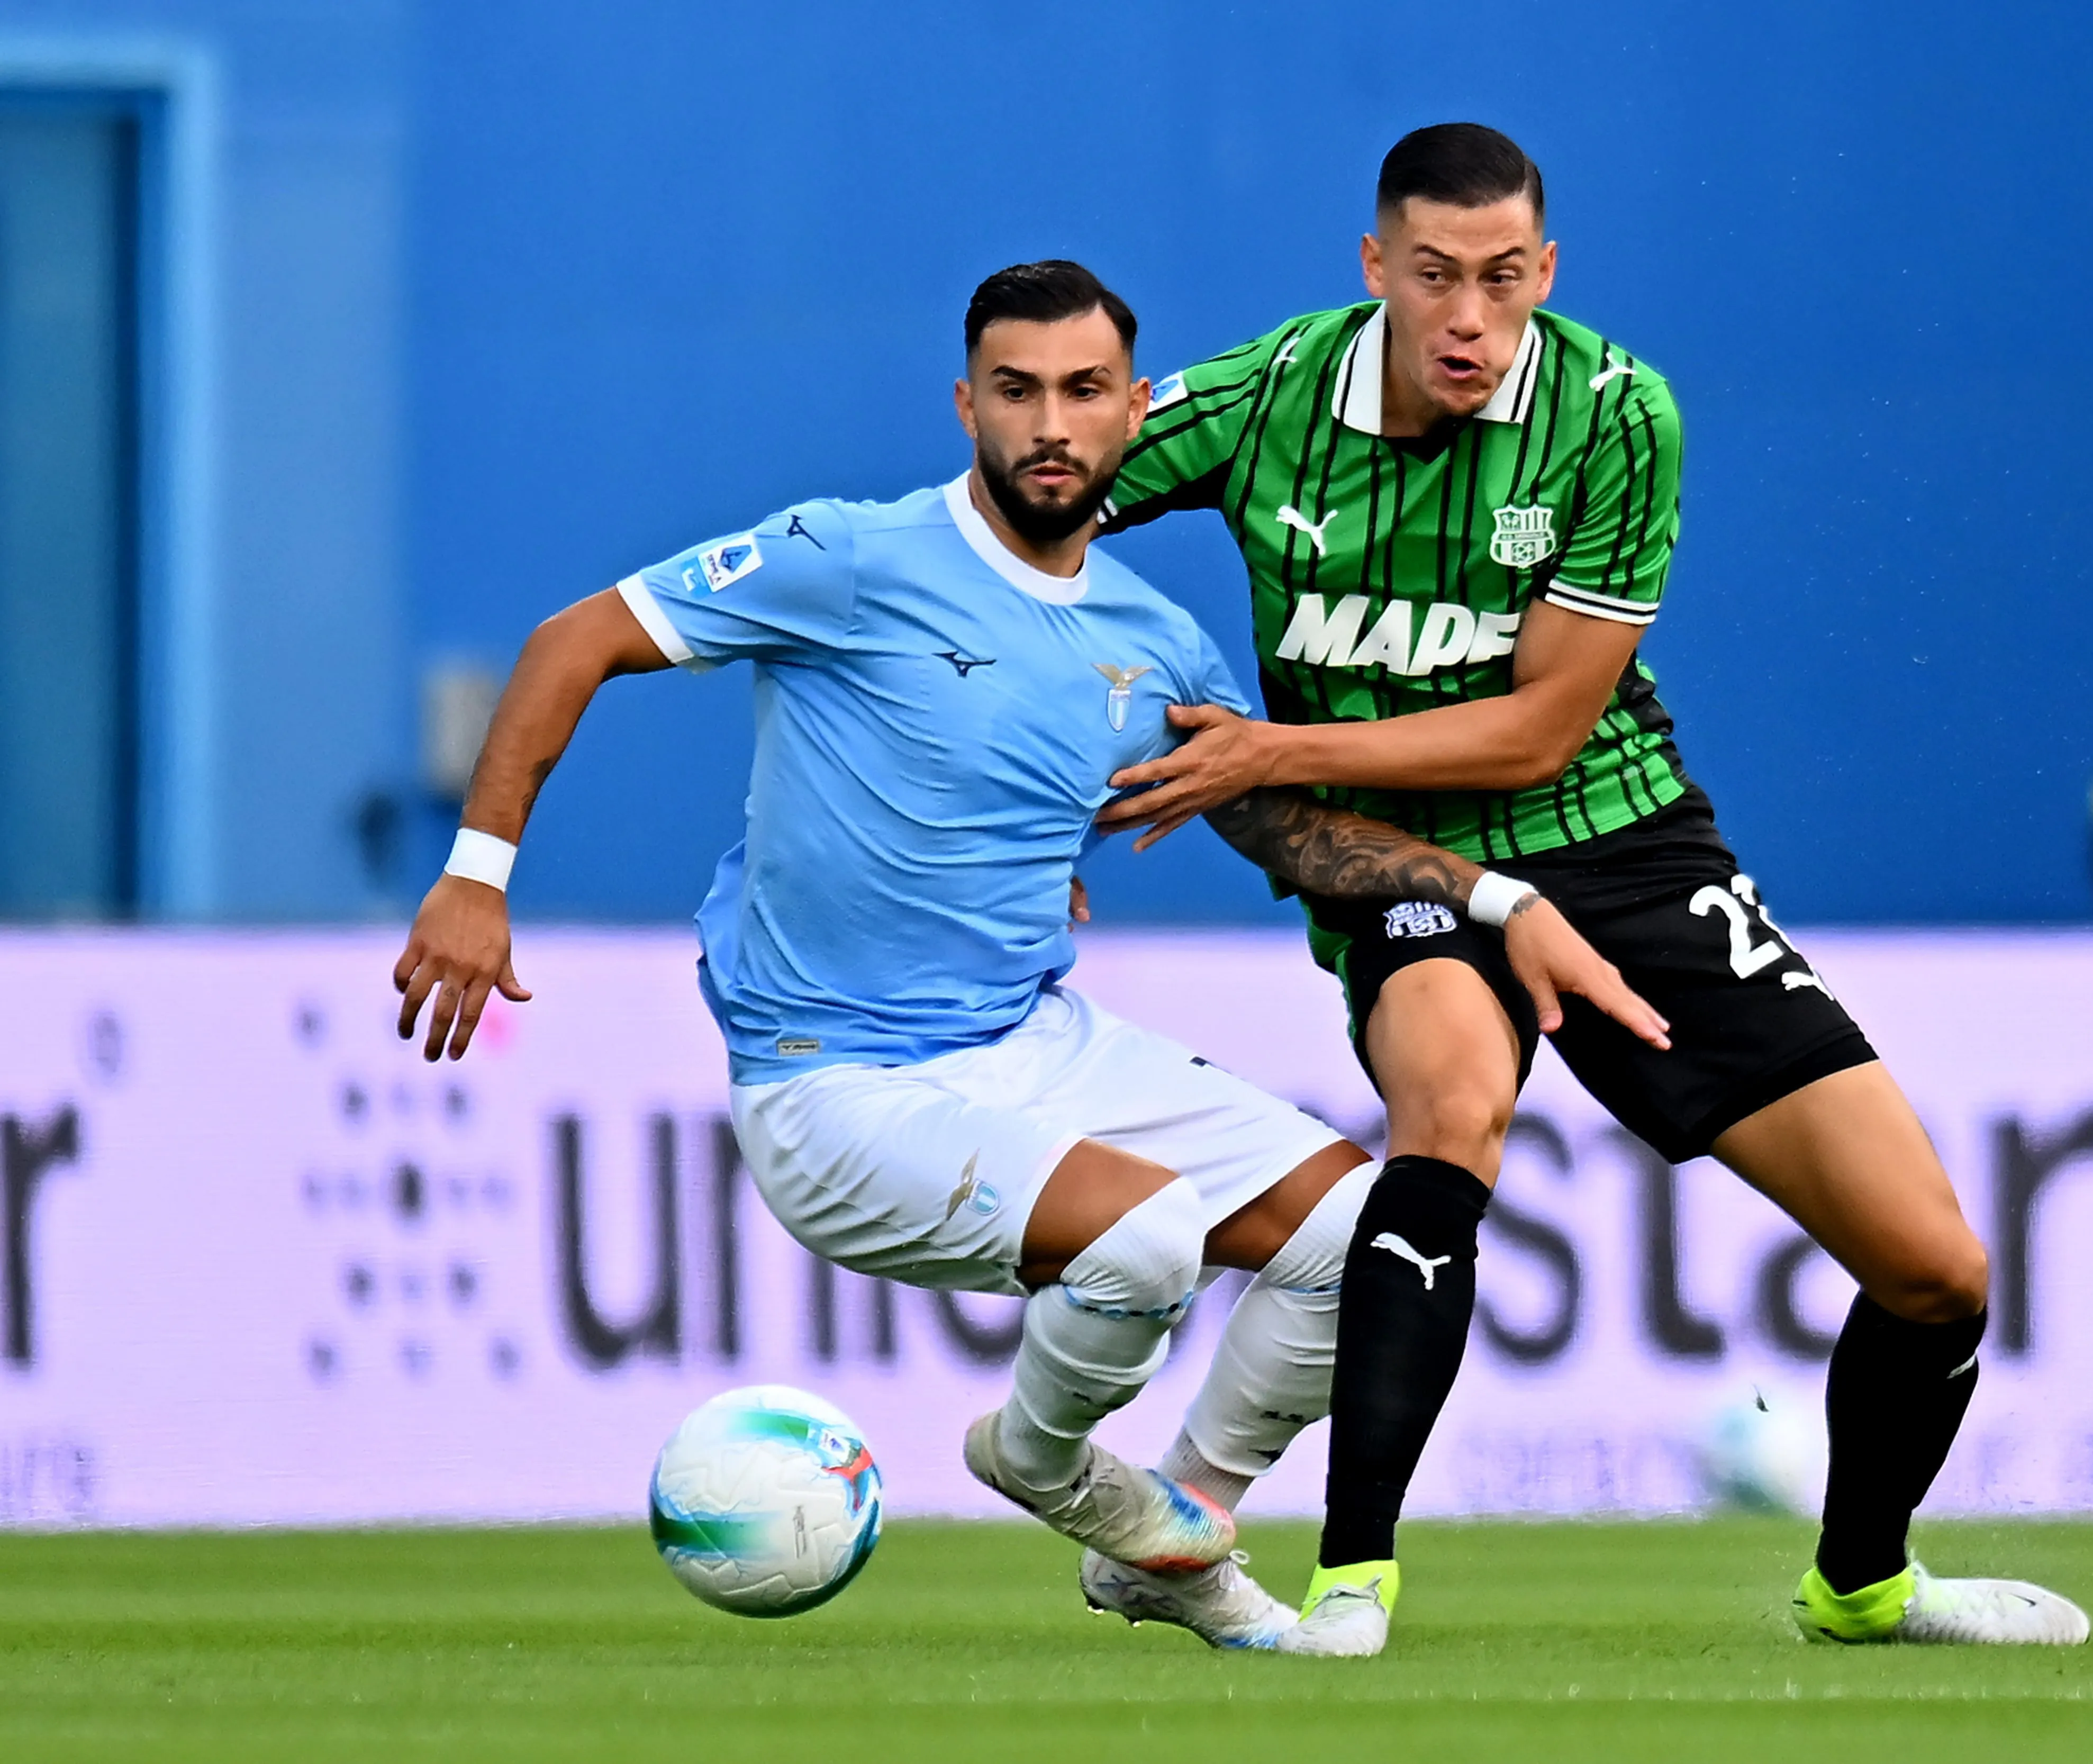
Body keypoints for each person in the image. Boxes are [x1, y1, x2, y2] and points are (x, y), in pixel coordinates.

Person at [389, 260, 1663, 1652]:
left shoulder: (1150, 642)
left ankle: (1177, 1520)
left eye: (1083, 390)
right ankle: (1046, 1462)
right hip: (834, 1082)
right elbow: (574, 640)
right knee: (1150, 1232)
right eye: (1017, 391)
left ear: (1134, 411)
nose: (1051, 423)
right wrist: (476, 875)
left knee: (1366, 1240)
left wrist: (1497, 901)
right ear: (967, 406)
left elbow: (1289, 831)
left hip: (1032, 1041)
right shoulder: (848, 557)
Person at [1094, 123, 2090, 1653]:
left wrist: (1269, 750)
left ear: (1546, 271)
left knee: (1936, 1266)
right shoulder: (1270, 393)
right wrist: (1015, 791)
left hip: (1620, 841)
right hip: (1411, 861)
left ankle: (1864, 1584)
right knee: (1449, 1111)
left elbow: (1543, 727)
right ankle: (1352, 1578)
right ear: (1375, 268)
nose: (1469, 319)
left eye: (1503, 279)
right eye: (1435, 277)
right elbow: (1026, 515)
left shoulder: (1616, 412)